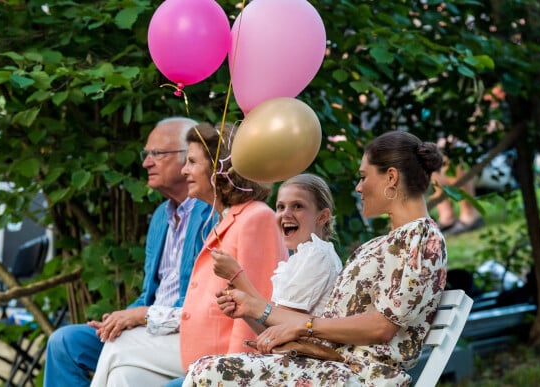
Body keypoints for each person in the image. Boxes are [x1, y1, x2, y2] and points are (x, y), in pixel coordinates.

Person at [183, 130, 448, 386]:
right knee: (207, 368)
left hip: (360, 376)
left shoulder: (422, 239)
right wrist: (256, 310)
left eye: (364, 177)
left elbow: (383, 327)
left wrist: (303, 328)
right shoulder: (384, 243)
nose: (358, 187)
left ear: (391, 177)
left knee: (208, 371)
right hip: (330, 365)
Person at [89, 122, 288, 386]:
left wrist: (236, 369)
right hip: (195, 344)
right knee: (125, 375)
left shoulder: (256, 216)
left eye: (192, 162)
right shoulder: (223, 219)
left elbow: (256, 299)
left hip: (224, 356)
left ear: (219, 168)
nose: (185, 170)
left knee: (119, 345)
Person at [43, 117, 216, 387]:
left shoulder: (213, 215)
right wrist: (118, 319)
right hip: (146, 326)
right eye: (146, 154)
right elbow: (150, 293)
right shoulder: (161, 216)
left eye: (157, 154)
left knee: (120, 362)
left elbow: (207, 304)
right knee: (65, 342)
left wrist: (139, 317)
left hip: (181, 332)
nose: (147, 162)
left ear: (188, 159)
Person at [212, 173, 342, 318]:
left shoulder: (317, 255)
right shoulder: (301, 258)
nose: (286, 214)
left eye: (297, 206)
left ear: (322, 217)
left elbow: (281, 322)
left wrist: (236, 276)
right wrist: (241, 306)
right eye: (281, 207)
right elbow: (271, 328)